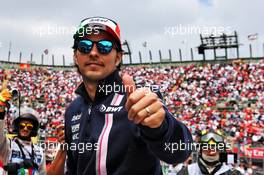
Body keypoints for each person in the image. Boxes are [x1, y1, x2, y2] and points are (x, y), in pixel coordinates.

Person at [64, 16, 193, 175]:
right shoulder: (72, 110)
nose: (93, 52)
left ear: (118, 57)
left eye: (104, 46)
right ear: (76, 56)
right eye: (84, 46)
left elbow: (180, 152)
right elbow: (73, 168)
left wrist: (161, 128)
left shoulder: (139, 94)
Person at [0, 89, 46, 175]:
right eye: (22, 125)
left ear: (33, 129)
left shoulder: (39, 151)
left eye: (29, 126)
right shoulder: (7, 145)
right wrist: (1, 107)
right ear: (17, 126)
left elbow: (42, 173)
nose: (25, 128)